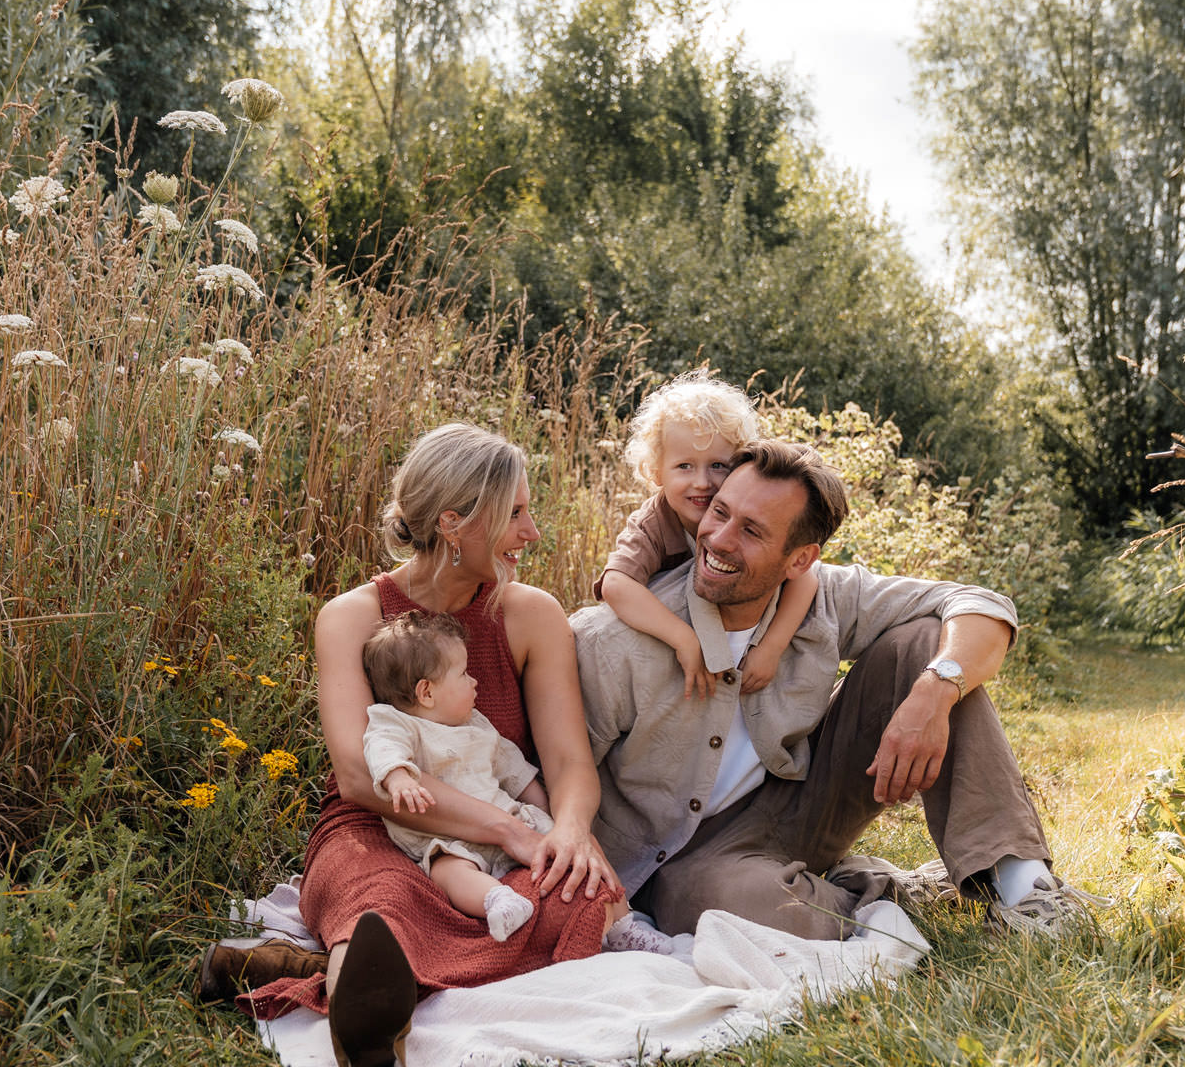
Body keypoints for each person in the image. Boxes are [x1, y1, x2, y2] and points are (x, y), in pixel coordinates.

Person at [208, 423, 644, 1067]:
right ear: (452, 523)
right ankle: (374, 1046)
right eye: (516, 514)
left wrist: (565, 830)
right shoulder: (351, 616)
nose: (532, 532)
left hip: (498, 832)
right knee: (381, 900)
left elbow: (567, 762)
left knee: (572, 895)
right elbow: (359, 776)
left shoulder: (532, 615)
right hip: (377, 824)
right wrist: (509, 830)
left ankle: (307, 969)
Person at [574, 439, 1099, 942]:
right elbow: (554, 781)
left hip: (799, 800)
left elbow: (982, 605)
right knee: (722, 903)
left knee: (926, 643)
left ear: (800, 560)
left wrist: (934, 691)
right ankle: (882, 896)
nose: (719, 539)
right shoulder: (616, 640)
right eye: (719, 512)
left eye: (752, 531)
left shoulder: (825, 595)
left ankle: (1026, 891)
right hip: (682, 856)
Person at [597, 371, 819, 703]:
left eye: (718, 465)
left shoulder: (751, 512)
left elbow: (807, 576)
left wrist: (773, 646)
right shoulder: (654, 522)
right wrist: (682, 638)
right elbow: (615, 583)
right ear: (656, 471)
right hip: (666, 661)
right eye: (684, 466)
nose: (702, 482)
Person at [360, 611, 550, 942]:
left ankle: (624, 922)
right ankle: (497, 900)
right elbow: (382, 747)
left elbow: (514, 771)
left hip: (512, 821)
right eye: (463, 674)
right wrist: (399, 778)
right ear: (426, 693)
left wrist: (547, 815)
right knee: (447, 870)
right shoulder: (397, 722)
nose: (474, 681)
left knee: (568, 847)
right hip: (450, 838)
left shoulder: (476, 724)